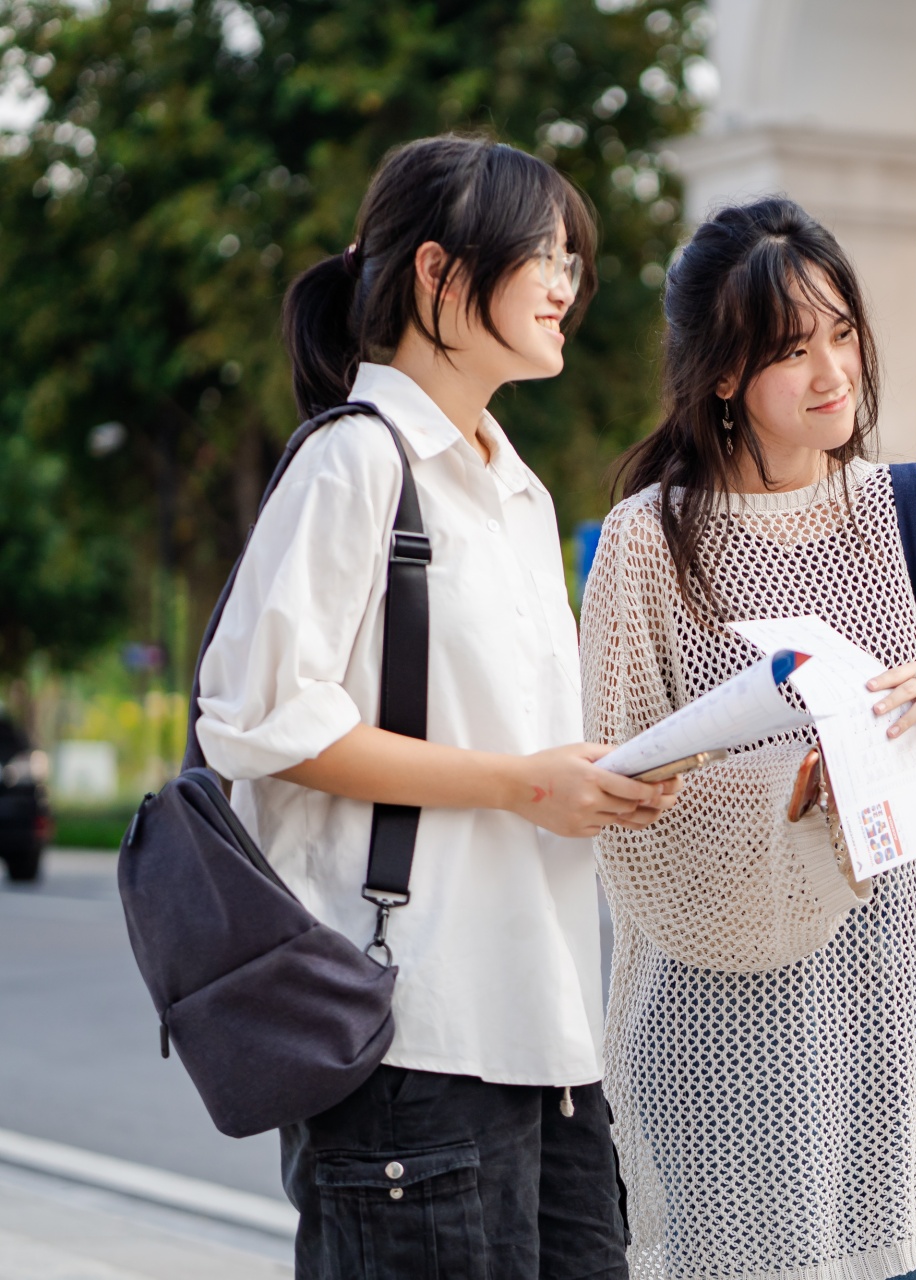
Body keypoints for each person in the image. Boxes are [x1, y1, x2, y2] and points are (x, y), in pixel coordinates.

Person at [196, 135, 679, 1279]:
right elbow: (262, 719)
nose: (569, 283)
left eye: (575, 259)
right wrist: (524, 783)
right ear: (438, 273)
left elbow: (514, 736)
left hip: (546, 1043)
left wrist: (613, 771)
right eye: (545, 254)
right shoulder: (356, 463)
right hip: (415, 1037)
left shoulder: (515, 490)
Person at [580, 197, 916, 1280]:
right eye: (792, 350)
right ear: (720, 374)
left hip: (913, 1058)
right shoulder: (650, 543)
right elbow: (622, 812)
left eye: (842, 332)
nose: (832, 369)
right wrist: (789, 802)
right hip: (721, 1063)